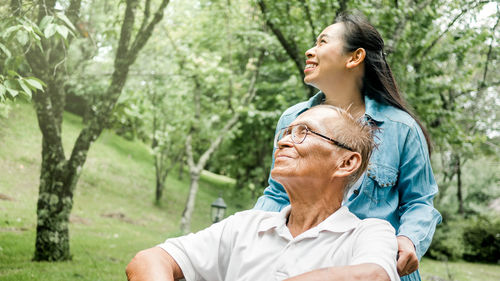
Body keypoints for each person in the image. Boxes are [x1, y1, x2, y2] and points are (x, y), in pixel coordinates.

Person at [254, 12, 442, 281]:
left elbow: (420, 201)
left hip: (379, 267)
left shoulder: (403, 128)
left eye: (322, 42)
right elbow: (277, 195)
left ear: (355, 57)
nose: (310, 51)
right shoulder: (292, 119)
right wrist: (248, 231)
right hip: (304, 266)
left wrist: (409, 239)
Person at [126, 105, 400, 281]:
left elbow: (373, 276)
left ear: (346, 163)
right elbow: (150, 259)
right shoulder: (245, 226)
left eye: (303, 132)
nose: (282, 141)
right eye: (286, 132)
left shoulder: (370, 233)